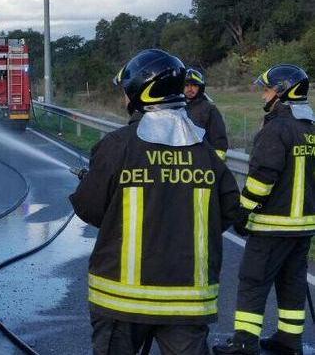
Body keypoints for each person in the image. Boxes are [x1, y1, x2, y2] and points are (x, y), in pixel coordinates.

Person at [71, 49, 240, 354]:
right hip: (187, 302)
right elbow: (228, 210)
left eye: (127, 92)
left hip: (121, 300)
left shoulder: (117, 146)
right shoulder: (204, 151)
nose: (124, 99)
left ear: (141, 92)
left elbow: (89, 208)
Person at [214, 64, 315, 355]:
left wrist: (243, 212)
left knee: (253, 281)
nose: (263, 95)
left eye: (268, 89)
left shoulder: (277, 128)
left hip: (272, 226)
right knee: (292, 283)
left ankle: (245, 343)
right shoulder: (310, 129)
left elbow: (262, 178)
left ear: (282, 92)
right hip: (303, 228)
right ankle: (289, 340)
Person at [185, 67, 230, 161]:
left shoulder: (209, 109)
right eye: (186, 85)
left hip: (201, 162)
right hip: (181, 163)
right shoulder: (176, 108)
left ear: (200, 88)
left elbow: (219, 141)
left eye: (194, 85)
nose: (190, 89)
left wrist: (216, 165)